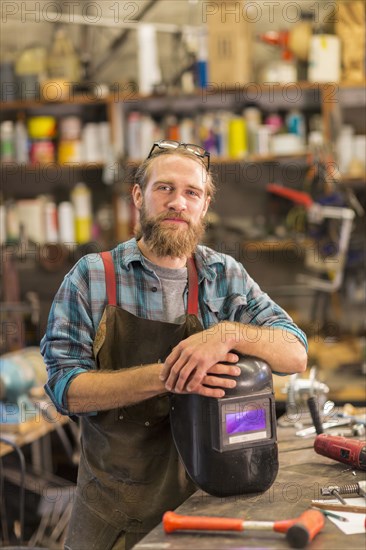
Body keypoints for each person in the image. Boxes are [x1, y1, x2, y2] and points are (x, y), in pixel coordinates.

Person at [41, 140, 308, 550]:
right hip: (115, 515)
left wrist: (228, 333)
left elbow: (296, 352)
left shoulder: (225, 275)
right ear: (138, 196)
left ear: (204, 206)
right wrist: (170, 376)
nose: (177, 203)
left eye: (191, 193)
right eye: (164, 188)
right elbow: (65, 389)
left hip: (209, 507)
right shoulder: (90, 278)